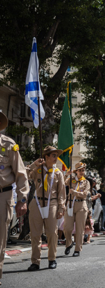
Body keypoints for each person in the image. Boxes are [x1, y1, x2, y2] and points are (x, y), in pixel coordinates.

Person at [0, 111, 29, 283]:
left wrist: (22, 200)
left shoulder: (8, 145)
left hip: (2, 196)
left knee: (0, 238)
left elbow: (21, 174)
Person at [27, 146, 66, 271]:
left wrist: (61, 208)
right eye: (53, 155)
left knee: (52, 233)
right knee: (35, 234)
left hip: (52, 204)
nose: (56, 158)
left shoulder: (58, 173)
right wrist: (34, 164)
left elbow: (61, 193)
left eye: (56, 155)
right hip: (37, 202)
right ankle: (35, 262)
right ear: (46, 157)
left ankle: (52, 259)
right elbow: (24, 175)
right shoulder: (38, 169)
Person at [64, 162, 91, 257]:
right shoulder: (71, 180)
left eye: (83, 170)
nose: (82, 172)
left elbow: (85, 194)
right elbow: (61, 183)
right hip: (70, 204)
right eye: (80, 170)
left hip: (81, 205)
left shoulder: (86, 182)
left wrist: (75, 192)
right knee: (67, 228)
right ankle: (69, 243)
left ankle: (77, 249)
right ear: (76, 171)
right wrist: (65, 175)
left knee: (80, 229)